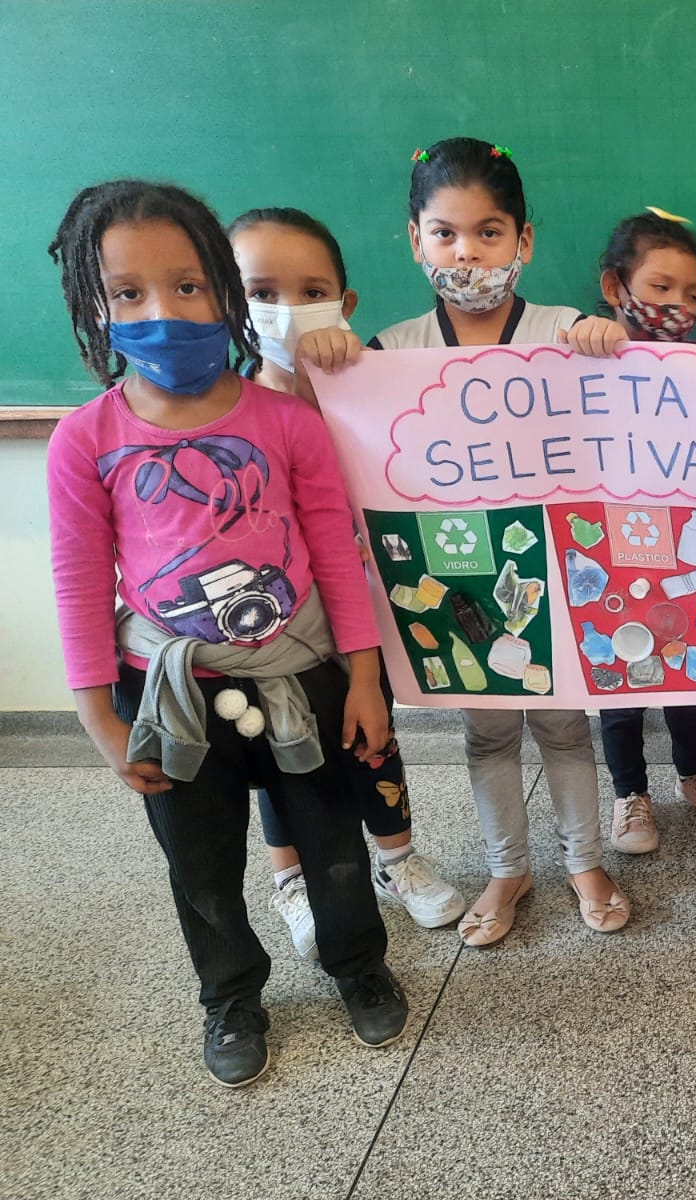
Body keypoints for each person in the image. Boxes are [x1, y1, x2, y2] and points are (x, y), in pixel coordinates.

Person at [46, 180, 408, 1087]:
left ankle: (358, 964)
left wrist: (365, 677)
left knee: (331, 838)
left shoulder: (288, 423)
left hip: (306, 670)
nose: (161, 313)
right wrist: (98, 715)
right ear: (94, 305)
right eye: (127, 292)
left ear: (223, 290)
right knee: (200, 861)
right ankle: (230, 994)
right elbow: (80, 581)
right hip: (168, 691)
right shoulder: (84, 439)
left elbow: (335, 554)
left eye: (187, 286)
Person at [304, 137, 633, 945]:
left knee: (565, 727)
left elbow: (622, 404)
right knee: (487, 733)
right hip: (458, 579)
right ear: (414, 239)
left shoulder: (563, 330)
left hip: (553, 568)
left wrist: (605, 341)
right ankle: (507, 868)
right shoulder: (387, 354)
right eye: (444, 233)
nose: (466, 252)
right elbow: (327, 447)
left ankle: (585, 861)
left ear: (524, 239)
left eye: (489, 232)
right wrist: (332, 362)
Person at [228, 207, 466, 957]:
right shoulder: (222, 410)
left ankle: (397, 859)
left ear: (345, 302)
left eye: (311, 292)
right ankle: (292, 879)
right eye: (261, 292)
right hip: (266, 625)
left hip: (357, 611)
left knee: (372, 733)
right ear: (228, 301)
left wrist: (349, 368)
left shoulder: (364, 384)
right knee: (277, 746)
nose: (287, 310)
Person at [591, 209, 696, 852]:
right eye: (660, 287)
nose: (677, 305)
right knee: (617, 667)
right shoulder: (579, 358)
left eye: (691, 293)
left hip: (679, 541)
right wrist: (583, 342)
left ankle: (694, 774)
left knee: (683, 657)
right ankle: (630, 794)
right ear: (615, 287)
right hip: (604, 544)